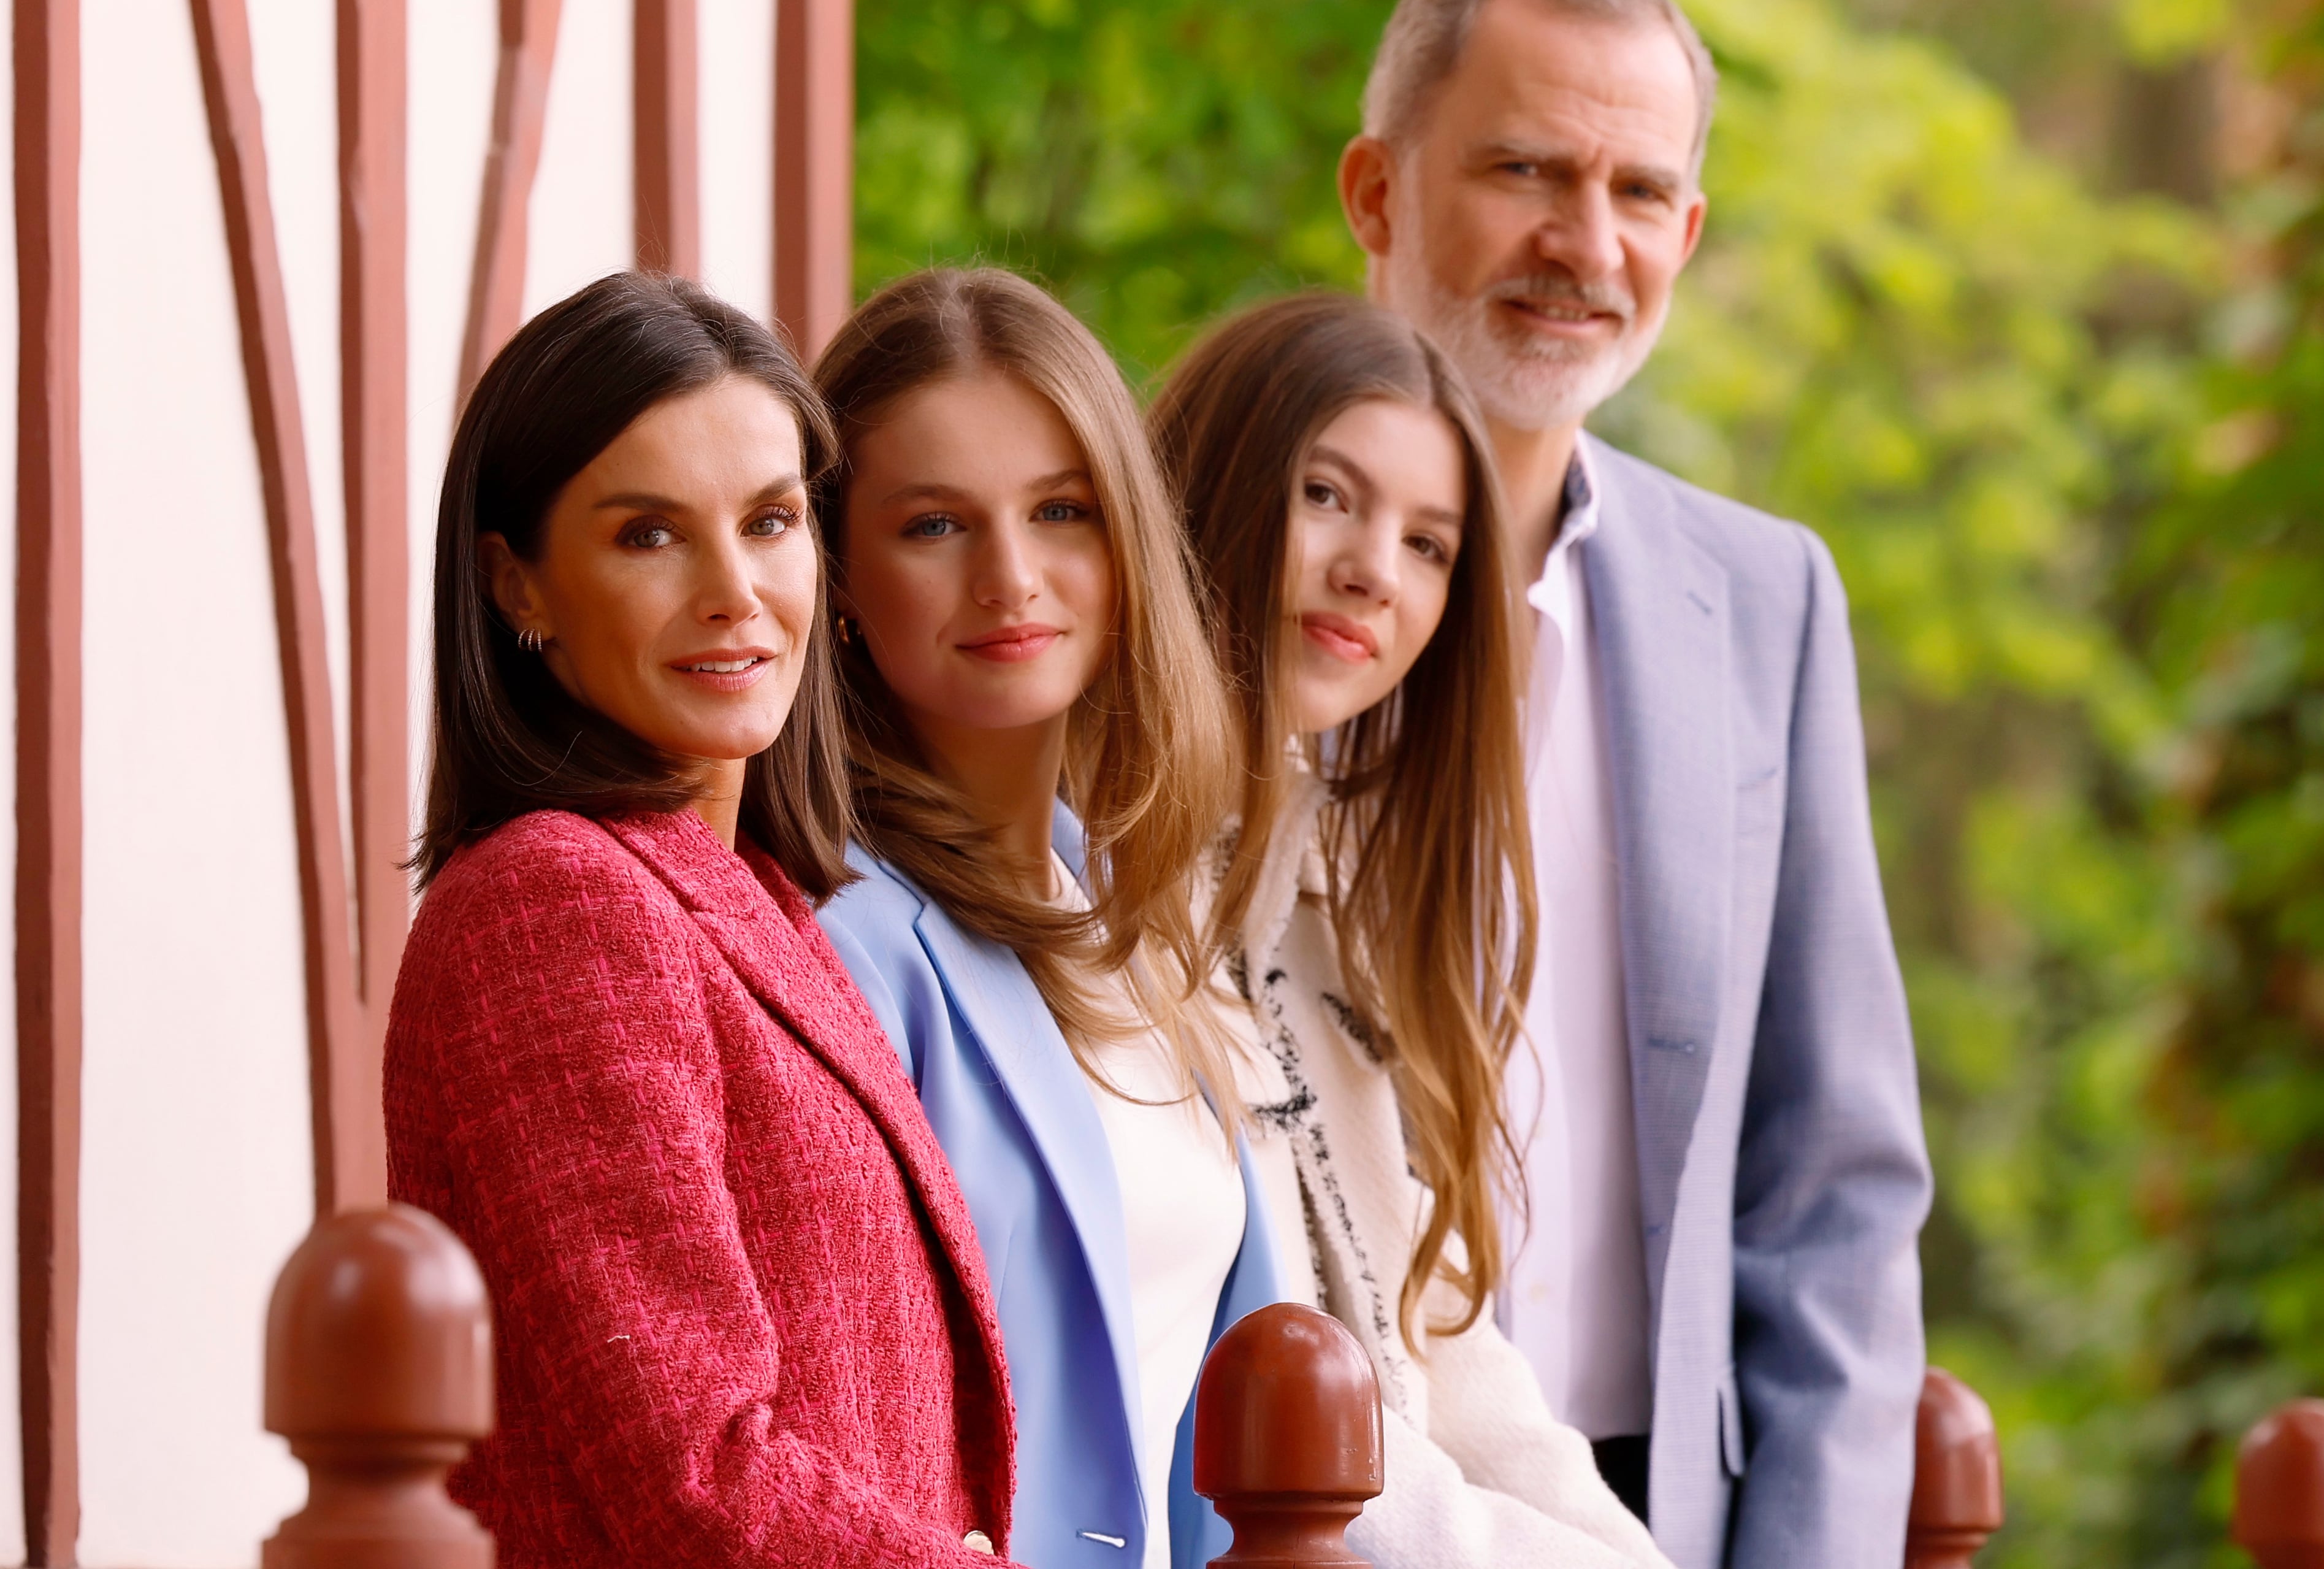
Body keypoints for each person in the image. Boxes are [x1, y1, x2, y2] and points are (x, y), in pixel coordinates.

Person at [1337, 0, 1935, 1565]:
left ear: (1688, 230)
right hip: (1301, 1495)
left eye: (1636, 190)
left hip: (1659, 1508)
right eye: (1524, 169)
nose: (1581, 243)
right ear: (1378, 195)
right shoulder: (1204, 576)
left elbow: (1836, 1184)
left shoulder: (1766, 601)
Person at [384, 272, 1018, 1567]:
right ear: (519, 586)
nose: (736, 589)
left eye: (771, 520)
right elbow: (693, 1466)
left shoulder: (765, 900)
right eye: (647, 534)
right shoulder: (553, 900)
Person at [1153, 291, 1675, 1569]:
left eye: (1430, 543)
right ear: (1210, 481)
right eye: (1327, 495)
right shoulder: (1100, 885)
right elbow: (1297, 1419)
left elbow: (1439, 1349)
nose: (1371, 570)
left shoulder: (1326, 895)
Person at [808, 268, 1292, 1569]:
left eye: (1061, 510)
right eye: (933, 526)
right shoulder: (834, 941)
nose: (1012, 577)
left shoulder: (1129, 917)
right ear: (837, 575)